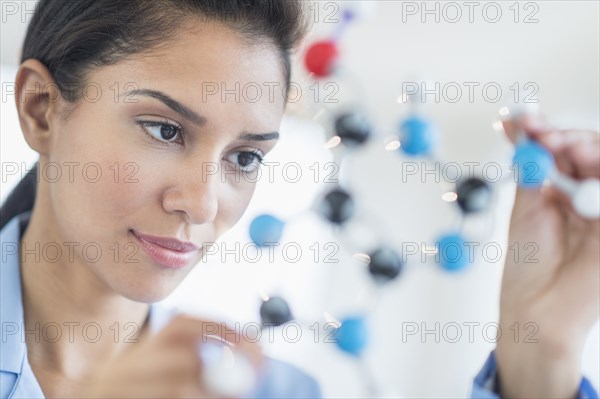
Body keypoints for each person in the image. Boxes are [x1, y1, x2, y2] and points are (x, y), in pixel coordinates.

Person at [0, 1, 597, 398]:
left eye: (244, 158)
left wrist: (540, 355)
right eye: (164, 130)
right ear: (41, 109)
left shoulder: (273, 390)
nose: (204, 204)